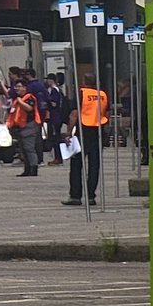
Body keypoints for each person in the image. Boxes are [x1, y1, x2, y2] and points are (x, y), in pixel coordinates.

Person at [62, 73, 109, 206]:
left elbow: (74, 115)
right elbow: (106, 113)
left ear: (83, 81)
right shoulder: (103, 95)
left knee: (77, 166)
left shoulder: (81, 94)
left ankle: (75, 196)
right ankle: (91, 196)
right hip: (98, 133)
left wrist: (68, 133)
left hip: (82, 133)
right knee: (94, 166)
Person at [6, 78, 40, 176]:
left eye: (19, 86)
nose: (17, 88)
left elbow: (29, 108)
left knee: (29, 148)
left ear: (25, 88)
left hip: (29, 126)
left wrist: (20, 101)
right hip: (20, 127)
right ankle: (27, 169)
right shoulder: (16, 99)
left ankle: (33, 169)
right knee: (23, 149)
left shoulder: (29, 97)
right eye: (16, 86)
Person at [44, 74, 65, 165]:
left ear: (51, 80)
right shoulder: (58, 90)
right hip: (56, 117)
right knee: (56, 138)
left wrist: (47, 100)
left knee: (56, 138)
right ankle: (58, 157)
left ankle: (58, 158)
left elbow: (54, 104)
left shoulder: (54, 91)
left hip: (55, 117)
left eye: (48, 79)